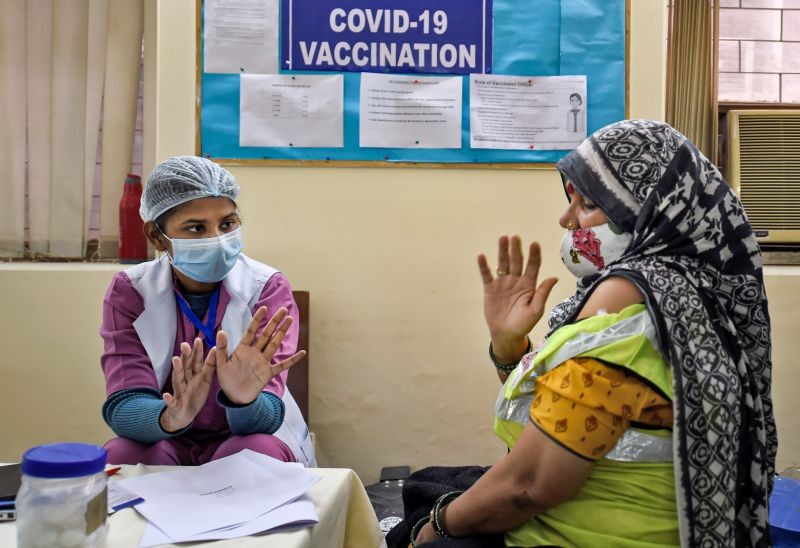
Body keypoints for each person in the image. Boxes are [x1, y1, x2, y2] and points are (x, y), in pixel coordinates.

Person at [386, 120, 776, 547]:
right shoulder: (687, 290)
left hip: (578, 535)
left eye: (587, 204)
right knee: (431, 485)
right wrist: (508, 344)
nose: (566, 219)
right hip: (602, 517)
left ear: (646, 216)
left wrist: (436, 526)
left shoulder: (627, 304)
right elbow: (573, 409)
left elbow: (527, 487)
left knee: (423, 514)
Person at [100, 156, 316, 467]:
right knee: (122, 454)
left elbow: (266, 417)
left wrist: (243, 400)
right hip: (165, 435)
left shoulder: (266, 287)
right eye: (196, 228)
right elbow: (124, 405)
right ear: (156, 236)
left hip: (243, 436)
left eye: (227, 224)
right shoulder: (131, 291)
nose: (217, 240)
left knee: (253, 453)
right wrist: (170, 417)